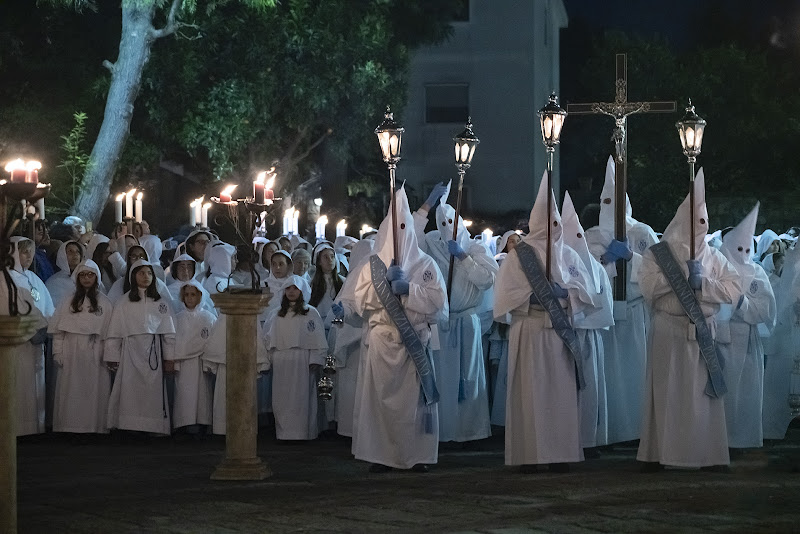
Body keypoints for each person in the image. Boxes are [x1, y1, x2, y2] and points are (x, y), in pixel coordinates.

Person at [493, 174, 602, 473]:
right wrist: (534, 297)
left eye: (557, 222)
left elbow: (587, 291)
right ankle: (529, 454)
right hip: (529, 329)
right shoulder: (520, 256)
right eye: (549, 222)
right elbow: (505, 295)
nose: (554, 228)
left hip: (559, 334)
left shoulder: (568, 254)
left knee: (559, 394)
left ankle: (559, 452)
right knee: (531, 394)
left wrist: (565, 293)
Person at [637, 169, 741, 471]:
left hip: (703, 332)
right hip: (669, 330)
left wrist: (704, 284)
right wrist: (679, 278)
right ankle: (665, 452)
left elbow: (733, 289)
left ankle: (705, 453)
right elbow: (647, 287)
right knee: (670, 392)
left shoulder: (716, 256)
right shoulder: (660, 253)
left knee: (701, 396)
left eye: (703, 222)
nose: (699, 228)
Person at [344, 185, 448, 472]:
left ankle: (416, 455)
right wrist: (385, 288)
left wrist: (410, 290)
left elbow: (438, 304)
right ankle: (382, 455)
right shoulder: (372, 267)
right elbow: (361, 303)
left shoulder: (426, 264)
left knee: (414, 405)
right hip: (383, 341)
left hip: (414, 340)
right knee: (381, 404)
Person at [413, 181, 497, 444]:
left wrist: (462, 257)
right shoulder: (431, 243)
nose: (447, 230)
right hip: (440, 322)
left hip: (466, 321)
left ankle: (469, 430)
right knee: (440, 375)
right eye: (442, 225)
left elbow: (488, 279)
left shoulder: (475, 249)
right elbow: (410, 240)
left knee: (468, 375)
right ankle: (441, 429)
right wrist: (426, 206)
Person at [584, 156, 659, 446]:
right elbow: (583, 273)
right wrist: (606, 261)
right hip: (606, 317)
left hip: (636, 311)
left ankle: (640, 432)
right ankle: (609, 431)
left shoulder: (643, 233)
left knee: (636, 373)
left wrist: (631, 258)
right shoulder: (590, 237)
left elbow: (658, 271)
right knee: (609, 377)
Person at [715, 203, 776, 449]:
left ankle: (742, 439)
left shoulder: (758, 273)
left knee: (746, 391)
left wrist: (741, 303)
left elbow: (766, 309)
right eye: (737, 247)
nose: (742, 253)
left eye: (746, 248)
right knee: (722, 392)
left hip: (747, 340)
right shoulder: (716, 269)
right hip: (719, 338)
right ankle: (718, 439)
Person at [562, 192, 614, 451]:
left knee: (589, 388)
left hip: (588, 335)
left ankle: (587, 438)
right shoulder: (558, 261)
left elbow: (600, 296)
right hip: (564, 335)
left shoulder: (593, 264)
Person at [105, 260, 176, 435]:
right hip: (130, 352)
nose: (146, 277)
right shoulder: (124, 302)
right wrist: (112, 356)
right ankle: (130, 426)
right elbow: (114, 332)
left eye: (149, 273)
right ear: (133, 276)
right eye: (141, 273)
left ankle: (153, 427)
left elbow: (169, 333)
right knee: (129, 389)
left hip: (154, 352)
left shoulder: (161, 301)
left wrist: (169, 358)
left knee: (153, 392)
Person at [49, 260, 112, 434]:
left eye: (90, 274)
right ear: (77, 278)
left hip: (96, 351)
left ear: (97, 277)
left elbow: (110, 334)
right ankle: (69, 427)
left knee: (94, 391)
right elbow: (58, 331)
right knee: (71, 391)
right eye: (83, 275)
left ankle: (94, 428)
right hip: (71, 350)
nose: (86, 279)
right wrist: (57, 352)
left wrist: (109, 354)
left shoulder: (105, 303)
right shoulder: (67, 300)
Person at [263, 275, 328, 440]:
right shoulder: (275, 314)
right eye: (288, 288)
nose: (291, 292)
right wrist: (269, 359)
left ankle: (303, 433)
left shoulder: (311, 313)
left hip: (302, 360)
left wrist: (315, 359)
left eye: (295, 288)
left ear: (302, 290)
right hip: (282, 360)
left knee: (302, 398)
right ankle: (284, 433)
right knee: (282, 397)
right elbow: (267, 339)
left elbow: (318, 338)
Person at [10, 236, 55, 435]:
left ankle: (36, 426)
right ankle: (19, 428)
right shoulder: (7, 279)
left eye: (31, 252)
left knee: (36, 383)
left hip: (37, 340)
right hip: (17, 343)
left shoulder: (34, 278)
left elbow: (47, 307)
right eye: (24, 252)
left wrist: (45, 327)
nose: (28, 257)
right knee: (19, 383)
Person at [171, 280, 216, 431]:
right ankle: (184, 426)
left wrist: (209, 364)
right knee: (184, 396)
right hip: (184, 366)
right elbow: (176, 344)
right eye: (187, 295)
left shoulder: (208, 318)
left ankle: (202, 427)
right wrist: (175, 363)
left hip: (201, 363)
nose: (190, 298)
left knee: (202, 396)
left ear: (200, 296)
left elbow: (211, 342)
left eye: (193, 295)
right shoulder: (178, 318)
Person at [45, 241, 85, 309]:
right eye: (70, 251)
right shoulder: (54, 282)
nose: (75, 254)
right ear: (62, 255)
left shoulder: (88, 277)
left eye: (78, 251)